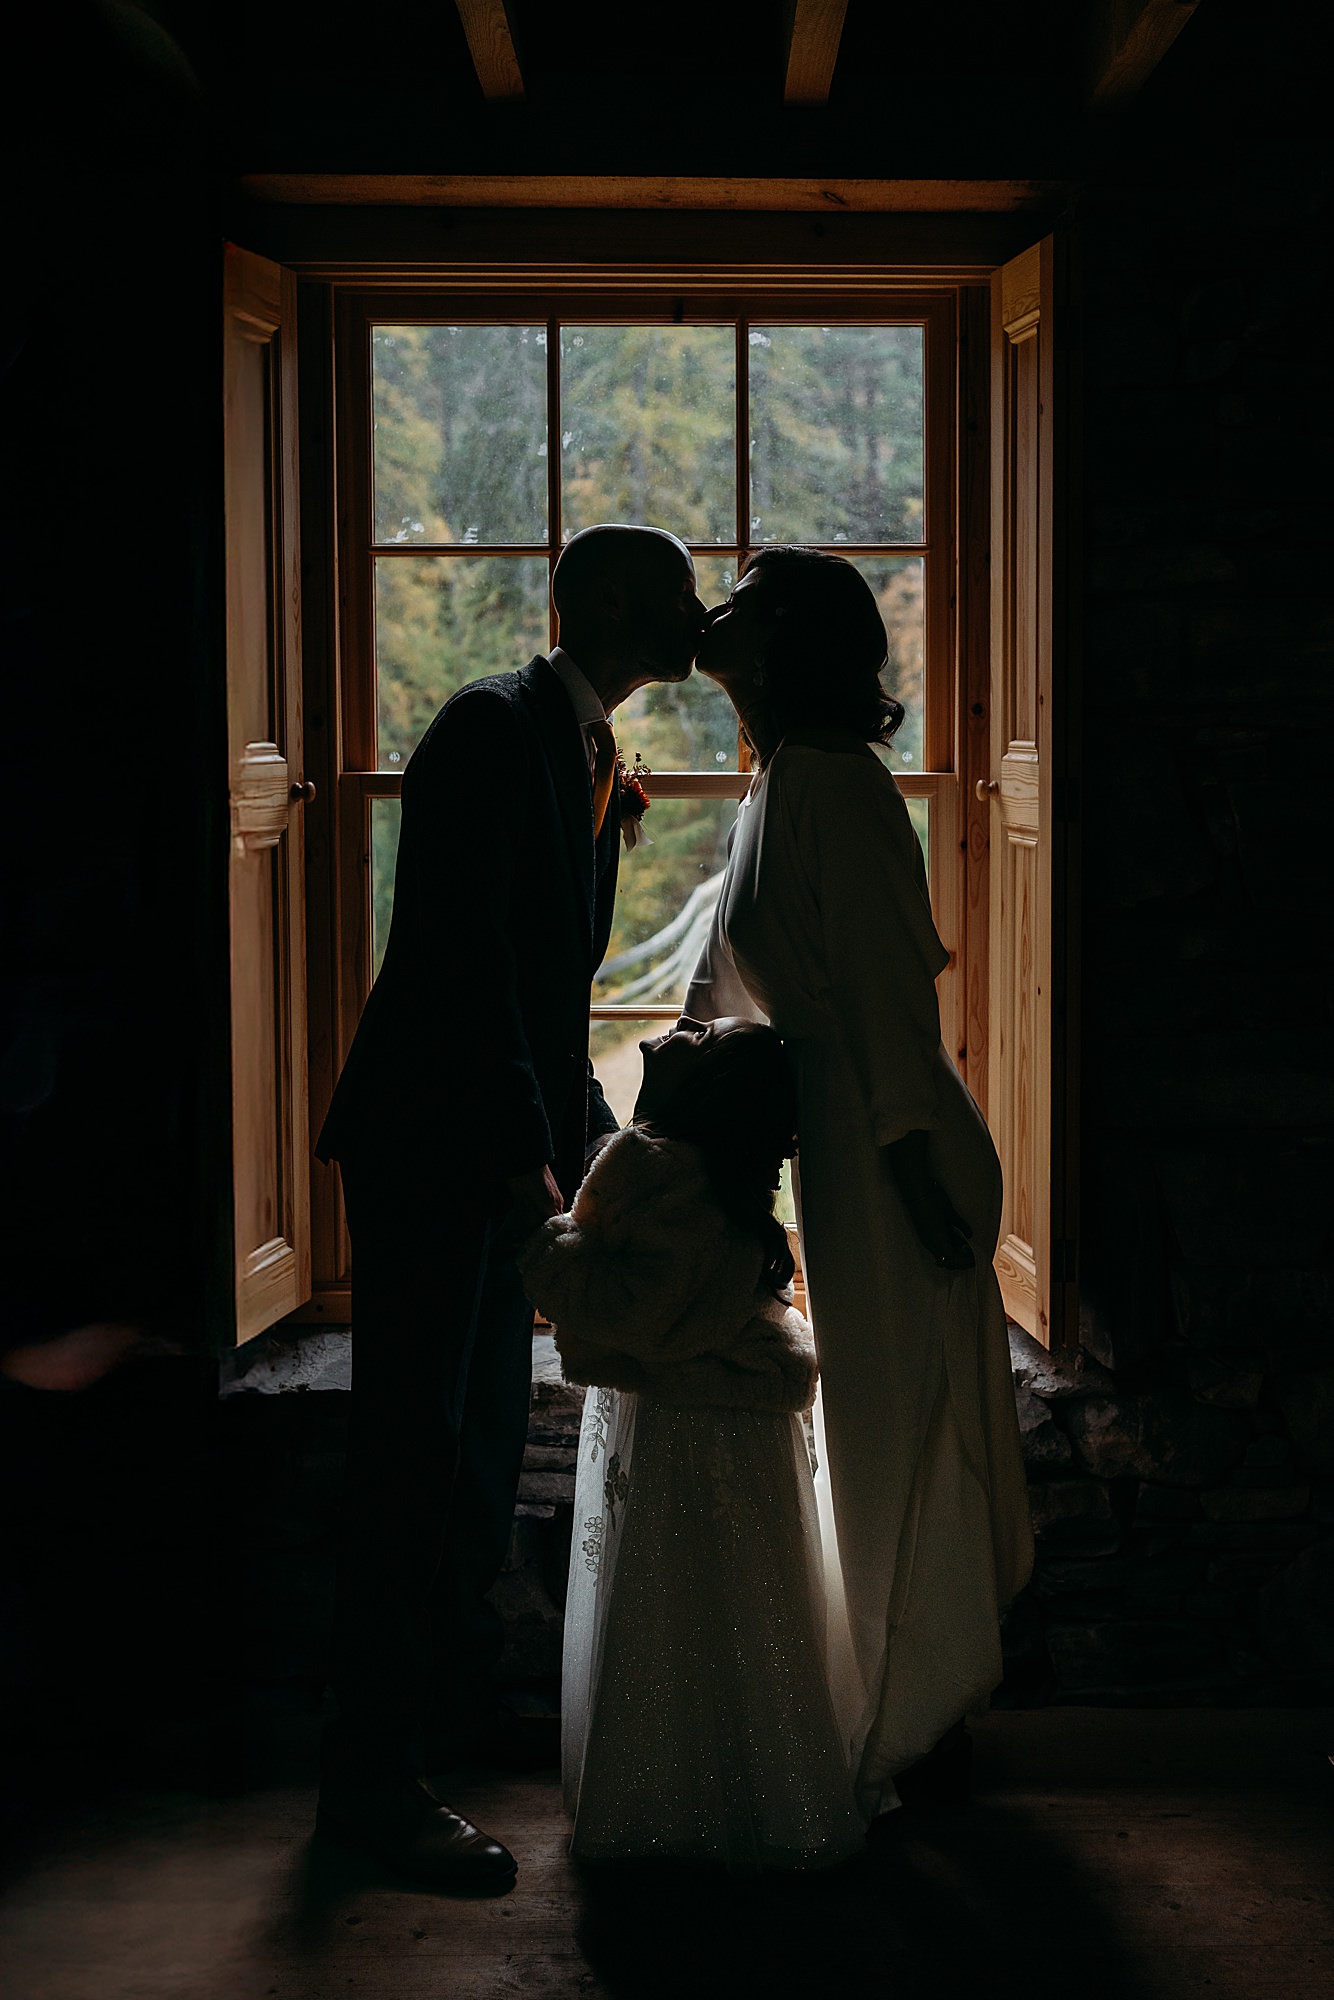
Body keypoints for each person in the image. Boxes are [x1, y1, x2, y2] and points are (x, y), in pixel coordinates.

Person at [315, 524, 708, 1891]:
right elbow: (457, 959)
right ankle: (368, 1783)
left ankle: (429, 1737)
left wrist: (603, 1142)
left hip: (490, 1147)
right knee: (414, 1461)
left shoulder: (590, 750)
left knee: (477, 1453)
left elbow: (546, 995)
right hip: (432, 1154)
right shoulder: (487, 729)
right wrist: (523, 1153)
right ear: (603, 602)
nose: (697, 612)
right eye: (674, 593)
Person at [684, 546, 1033, 1821]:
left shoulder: (836, 783)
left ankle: (910, 1707)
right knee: (873, 1428)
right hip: (838, 1148)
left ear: (787, 640)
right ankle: (896, 1688)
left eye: (741, 599)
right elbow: (729, 978)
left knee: (896, 1428)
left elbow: (890, 993)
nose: (710, 615)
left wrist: (900, 1162)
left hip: (897, 1153)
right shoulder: (775, 780)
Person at [518, 1019, 864, 1873]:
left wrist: (546, 1234)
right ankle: (761, 1795)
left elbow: (637, 1312)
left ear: (708, 1093)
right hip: (739, 1419)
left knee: (672, 1605)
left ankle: (665, 1808)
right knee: (746, 1606)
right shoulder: (711, 1175)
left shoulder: (656, 1169)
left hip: (683, 1424)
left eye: (704, 1037)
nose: (685, 1024)